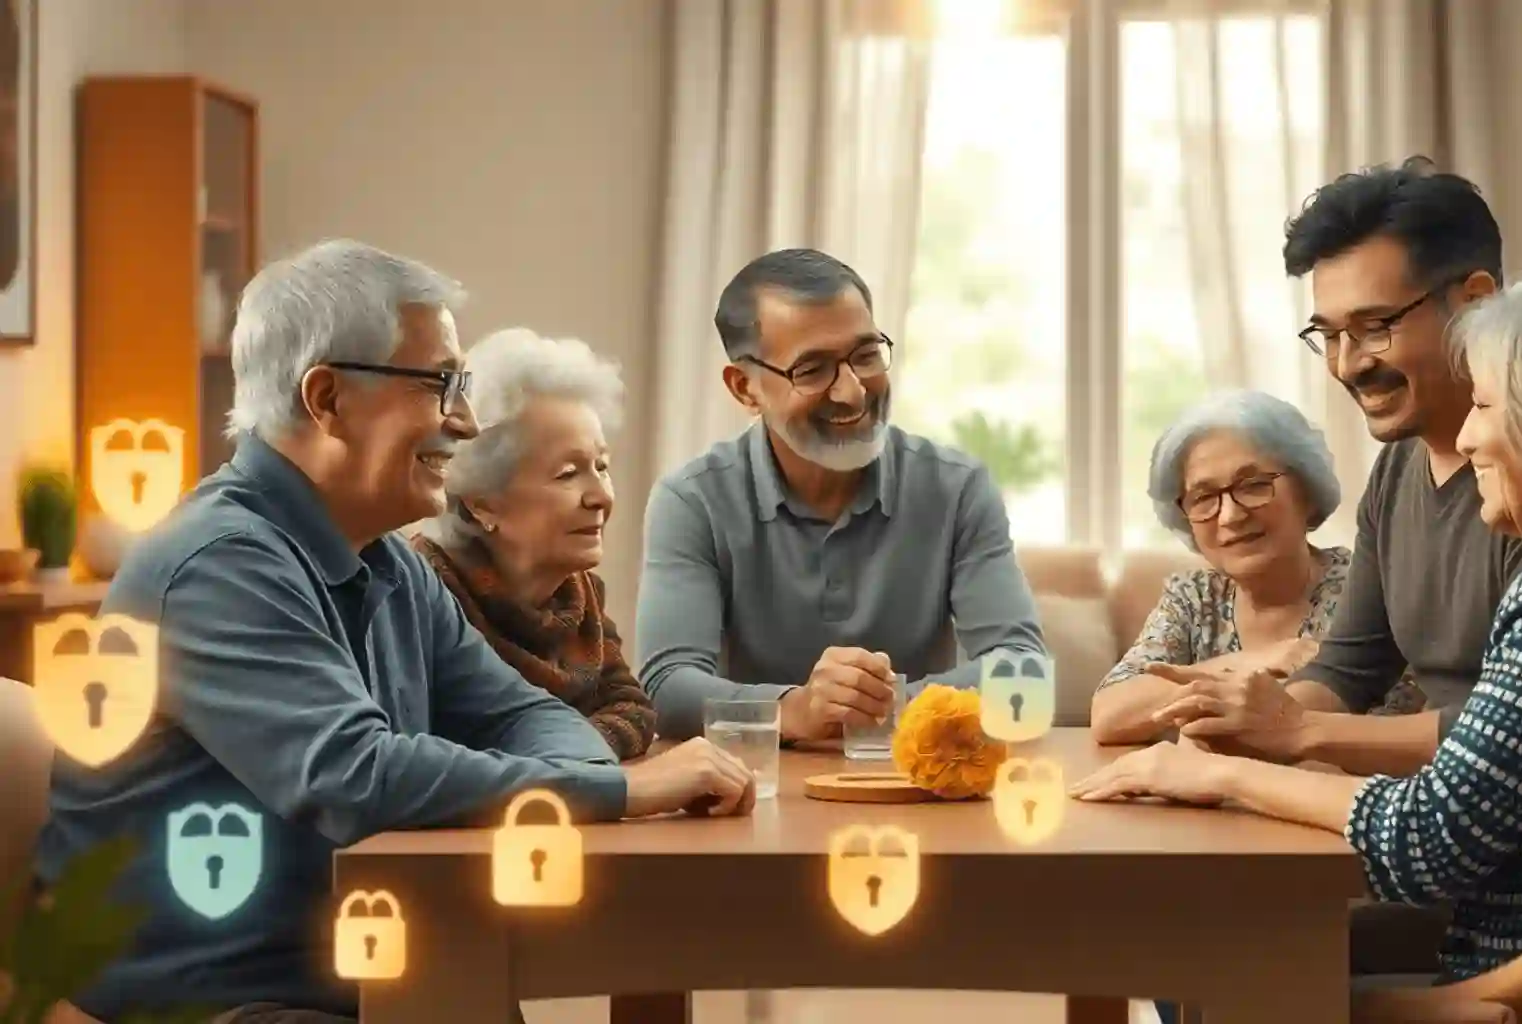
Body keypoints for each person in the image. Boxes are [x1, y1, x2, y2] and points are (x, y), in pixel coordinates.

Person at [33, 240, 754, 1024]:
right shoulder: (219, 564)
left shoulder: (385, 561)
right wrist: (620, 787)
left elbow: (518, 713)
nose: (467, 420)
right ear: (328, 398)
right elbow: (354, 778)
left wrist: (591, 780)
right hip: (219, 1000)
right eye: (440, 384)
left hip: (370, 967)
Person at [1071, 268, 1522, 983]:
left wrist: (1216, 773)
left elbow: (1424, 842)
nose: (1469, 438)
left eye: (1482, 405)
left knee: (1197, 959)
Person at [1172, 157, 1522, 780]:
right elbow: (1349, 667)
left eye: (1374, 328)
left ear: (1478, 302)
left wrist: (1297, 730)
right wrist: (1242, 729)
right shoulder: (1398, 468)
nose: (1347, 365)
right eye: (1329, 335)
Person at [635, 247, 1048, 741]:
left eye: (866, 355)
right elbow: (666, 689)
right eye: (812, 370)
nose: (852, 391)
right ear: (745, 388)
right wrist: (798, 708)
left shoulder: (957, 488)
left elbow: (1024, 673)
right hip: (754, 795)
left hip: (923, 783)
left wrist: (882, 703)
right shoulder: (692, 500)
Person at [412, 327, 657, 759]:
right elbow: (447, 748)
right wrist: (576, 753)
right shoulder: (428, 593)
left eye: (602, 466)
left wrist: (566, 755)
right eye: (568, 473)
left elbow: (633, 709)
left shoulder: (577, 596)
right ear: (482, 503)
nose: (600, 496)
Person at [1089, 390, 1356, 745]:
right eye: (1204, 498)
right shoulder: (1194, 597)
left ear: (1306, 489)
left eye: (1254, 485)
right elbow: (1109, 714)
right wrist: (1252, 662)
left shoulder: (1363, 589)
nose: (1230, 515)